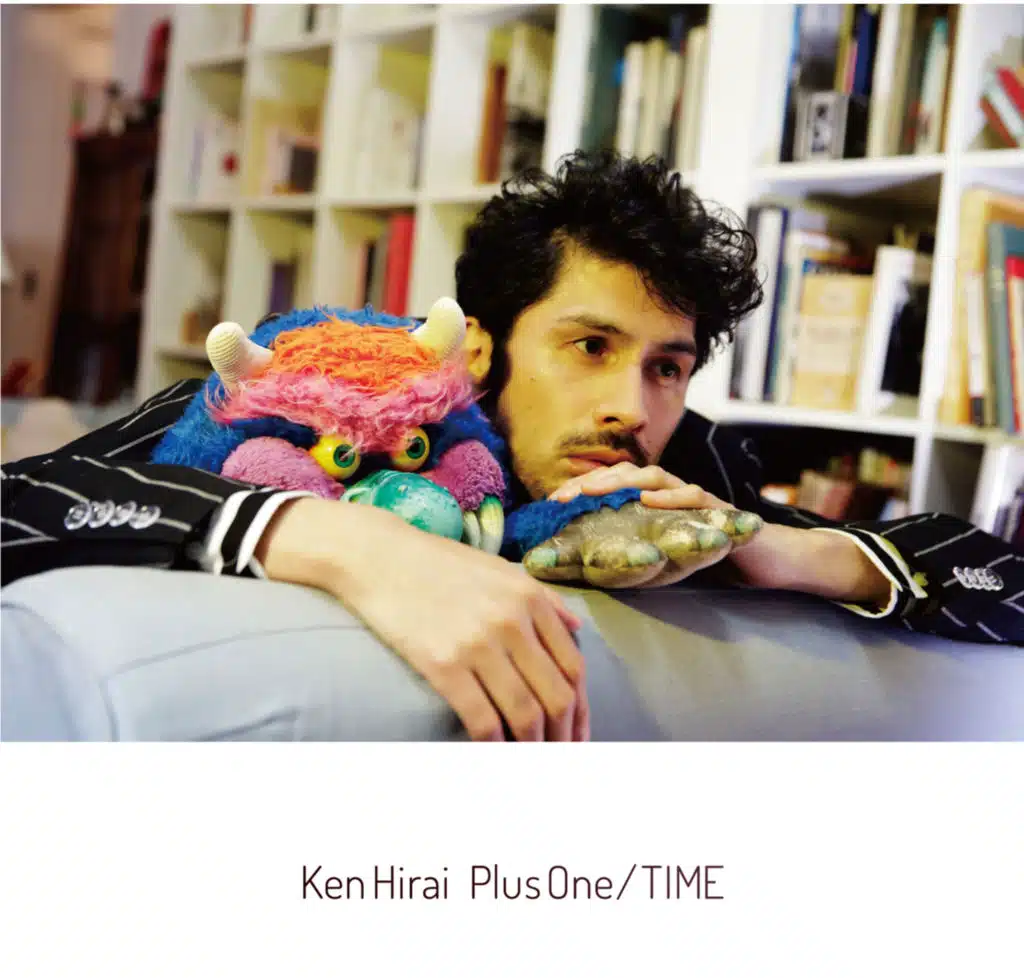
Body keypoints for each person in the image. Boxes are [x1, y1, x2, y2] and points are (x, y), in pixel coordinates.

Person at [3, 152, 1021, 742]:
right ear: (483, 349)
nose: (630, 406)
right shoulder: (326, 391)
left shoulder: (679, 473)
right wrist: (329, 536)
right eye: (589, 346)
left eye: (667, 366)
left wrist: (790, 551)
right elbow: (24, 499)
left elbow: (1002, 579)